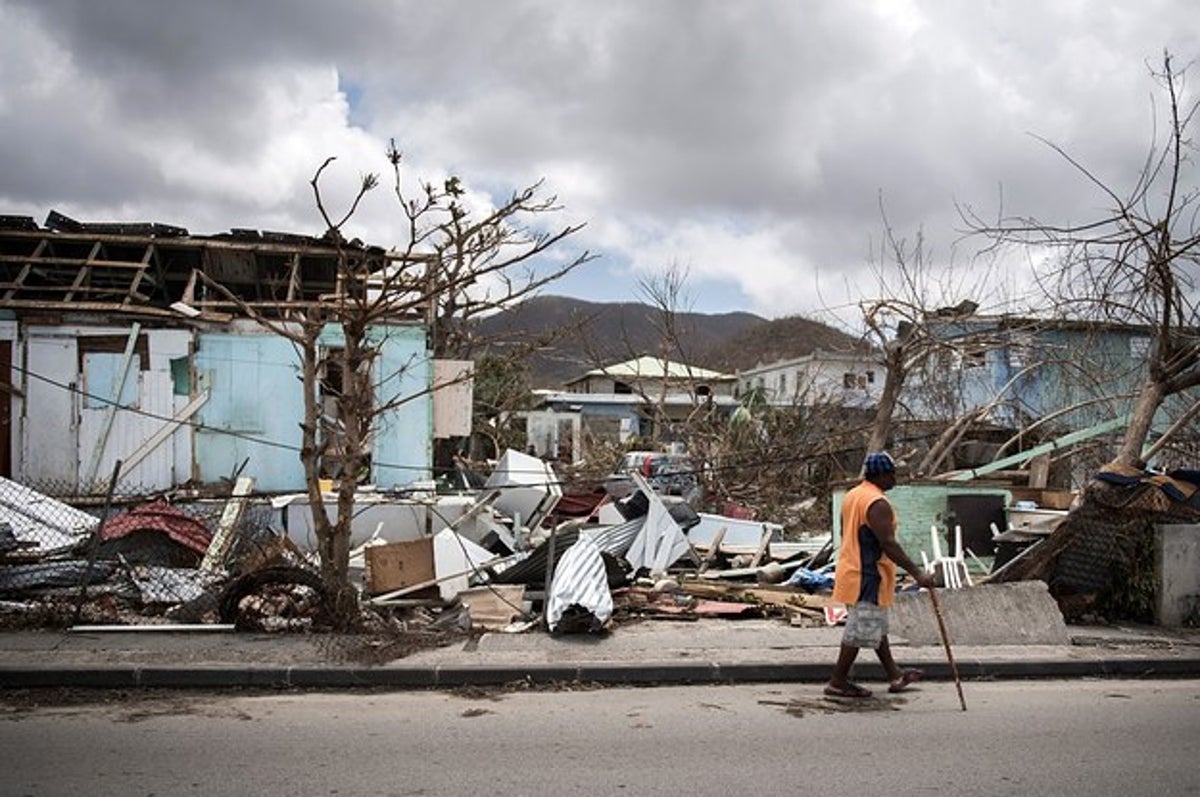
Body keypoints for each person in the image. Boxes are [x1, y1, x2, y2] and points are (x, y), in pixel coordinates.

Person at [825, 451, 935, 699]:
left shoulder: (854, 495)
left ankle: (894, 675)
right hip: (867, 575)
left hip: (851, 568)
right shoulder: (877, 503)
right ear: (882, 475)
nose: (894, 479)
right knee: (861, 629)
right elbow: (888, 543)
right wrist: (918, 573)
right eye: (892, 474)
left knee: (874, 625)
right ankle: (837, 682)